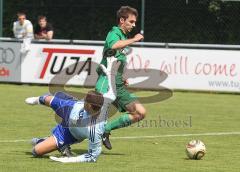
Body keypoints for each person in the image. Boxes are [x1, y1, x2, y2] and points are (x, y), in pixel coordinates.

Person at [25, 57, 120, 163]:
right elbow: (113, 92)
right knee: (46, 99)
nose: (84, 101)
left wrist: (67, 160)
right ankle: (37, 100)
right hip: (71, 107)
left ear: (89, 106)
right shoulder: (105, 101)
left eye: (85, 102)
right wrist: (110, 73)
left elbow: (92, 156)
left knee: (36, 151)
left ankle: (56, 144)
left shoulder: (94, 130)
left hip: (68, 132)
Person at [95, 6, 146, 150]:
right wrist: (134, 39)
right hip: (106, 82)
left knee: (140, 113)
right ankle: (60, 140)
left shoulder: (122, 36)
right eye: (132, 21)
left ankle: (106, 129)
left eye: (135, 22)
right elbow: (113, 45)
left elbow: (117, 58)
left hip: (118, 85)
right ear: (122, 20)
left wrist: (122, 77)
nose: (134, 25)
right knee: (90, 117)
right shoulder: (115, 32)